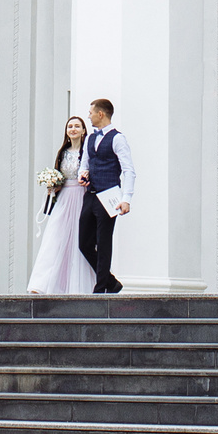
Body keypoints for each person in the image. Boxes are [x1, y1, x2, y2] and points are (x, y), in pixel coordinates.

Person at [26, 115, 93, 295]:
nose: (73, 129)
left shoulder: (88, 152)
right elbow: (60, 177)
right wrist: (53, 185)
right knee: (55, 237)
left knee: (79, 239)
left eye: (77, 126)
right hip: (64, 199)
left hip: (82, 197)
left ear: (83, 130)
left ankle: (79, 286)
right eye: (70, 126)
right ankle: (43, 283)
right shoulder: (62, 153)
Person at [75, 97, 136, 295]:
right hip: (90, 195)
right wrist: (82, 174)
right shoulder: (90, 138)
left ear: (100, 114)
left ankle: (100, 288)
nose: (89, 116)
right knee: (84, 243)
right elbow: (84, 163)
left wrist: (126, 198)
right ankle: (111, 281)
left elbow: (129, 170)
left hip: (109, 195)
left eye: (91, 112)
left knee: (103, 242)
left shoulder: (118, 139)